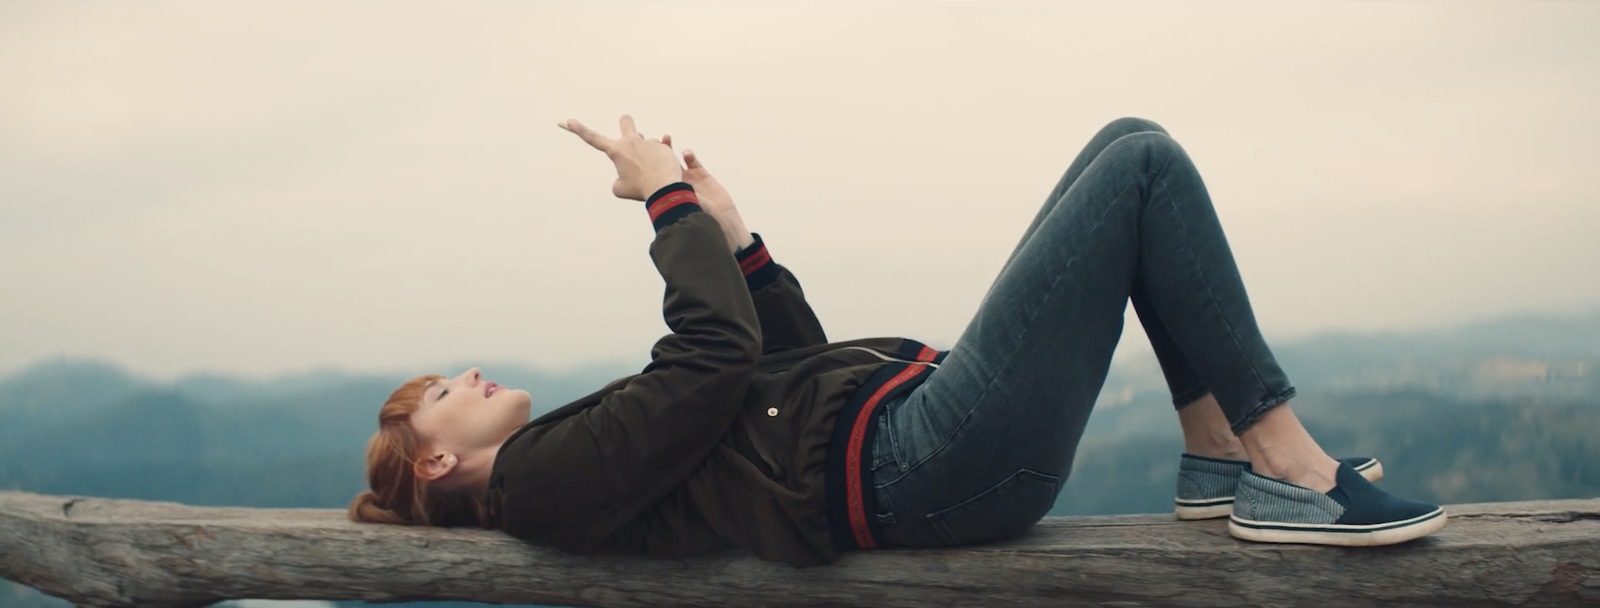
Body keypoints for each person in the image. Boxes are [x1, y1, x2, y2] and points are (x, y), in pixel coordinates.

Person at [348, 115, 1447, 567]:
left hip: (917, 438)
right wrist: (666, 204)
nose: (468, 373)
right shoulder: (538, 482)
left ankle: (1220, 459)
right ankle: (1287, 463)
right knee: (1141, 166)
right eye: (444, 389)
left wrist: (737, 243)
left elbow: (773, 372)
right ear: (435, 456)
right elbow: (710, 362)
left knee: (1125, 147)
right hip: (926, 462)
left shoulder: (565, 464)